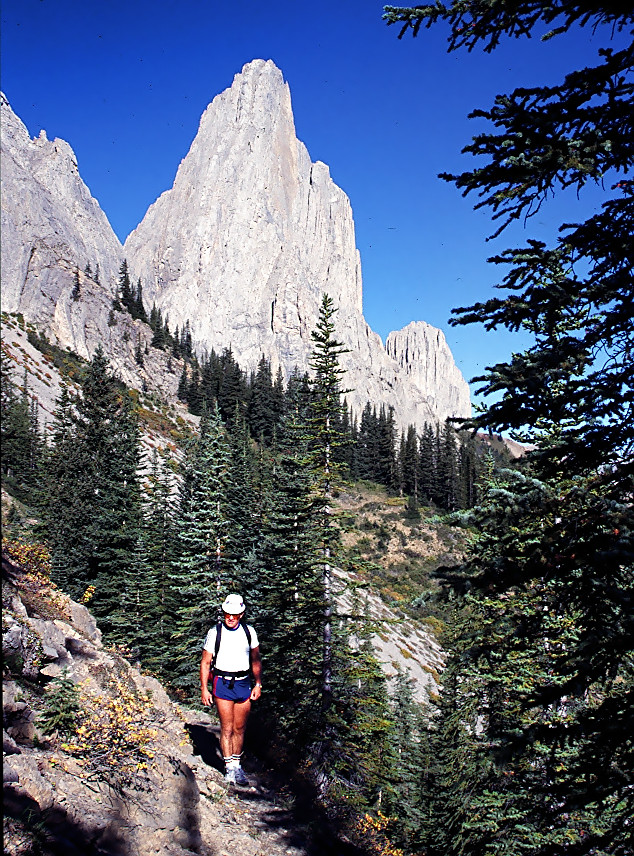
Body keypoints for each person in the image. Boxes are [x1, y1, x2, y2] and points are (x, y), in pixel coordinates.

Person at [200, 593, 262, 785]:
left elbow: (256, 660)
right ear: (224, 612)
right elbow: (205, 662)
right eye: (228, 613)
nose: (231, 617)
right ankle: (229, 769)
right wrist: (204, 689)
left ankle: (237, 766)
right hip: (223, 683)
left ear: (241, 614)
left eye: (235, 614)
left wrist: (258, 683)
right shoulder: (215, 632)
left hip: (244, 683)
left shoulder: (249, 632)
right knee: (226, 728)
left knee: (239, 727)